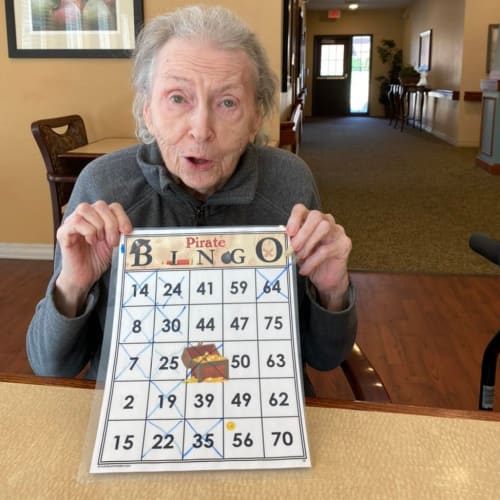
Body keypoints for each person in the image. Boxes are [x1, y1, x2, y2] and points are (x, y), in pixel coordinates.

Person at [27, 5, 356, 395]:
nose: (201, 130)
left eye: (228, 102)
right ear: (147, 110)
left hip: (256, 406)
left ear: (255, 118)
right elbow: (50, 366)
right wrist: (72, 286)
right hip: (135, 409)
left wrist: (333, 292)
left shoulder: (289, 183)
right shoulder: (102, 185)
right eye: (178, 98)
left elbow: (325, 356)